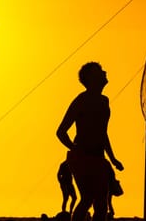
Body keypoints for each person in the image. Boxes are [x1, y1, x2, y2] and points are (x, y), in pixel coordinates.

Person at [57, 62, 124, 221]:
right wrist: (75, 148)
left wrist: (113, 158)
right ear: (91, 78)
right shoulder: (81, 100)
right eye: (100, 71)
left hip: (99, 158)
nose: (104, 72)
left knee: (101, 204)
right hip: (81, 158)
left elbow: (102, 133)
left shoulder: (104, 101)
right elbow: (61, 132)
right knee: (87, 198)